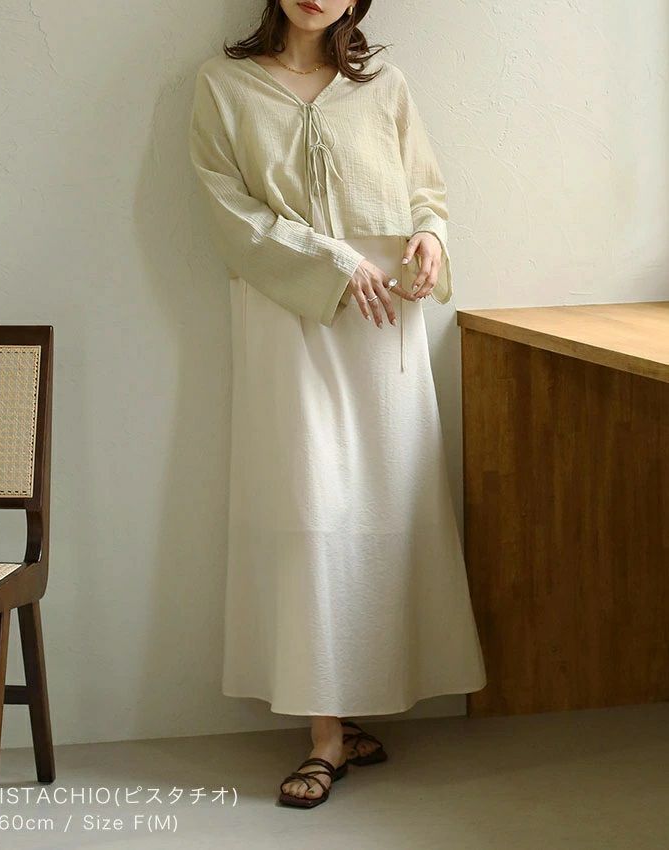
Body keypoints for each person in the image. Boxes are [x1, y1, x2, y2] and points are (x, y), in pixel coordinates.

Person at [188, 0, 487, 809]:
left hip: (386, 323)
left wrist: (430, 238)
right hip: (289, 317)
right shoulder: (224, 86)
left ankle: (350, 716)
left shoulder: (385, 85)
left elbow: (427, 192)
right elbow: (230, 212)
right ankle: (324, 734)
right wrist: (331, 262)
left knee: (387, 507)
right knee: (308, 508)